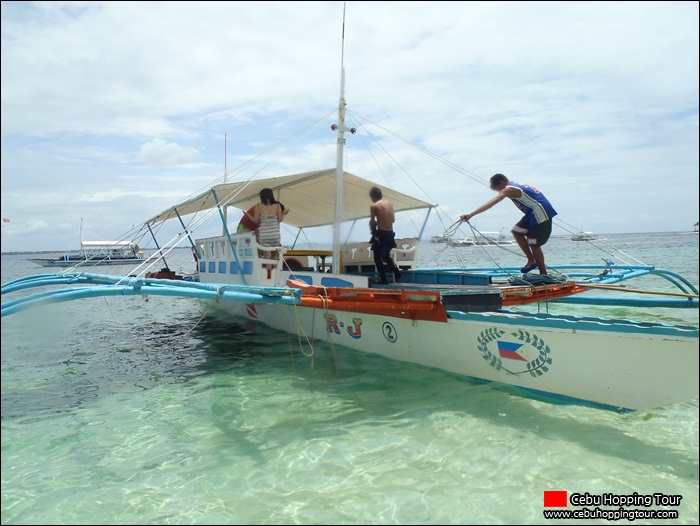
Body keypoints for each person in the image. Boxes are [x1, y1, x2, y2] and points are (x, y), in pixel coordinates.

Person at [460, 173, 557, 275]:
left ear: (501, 183)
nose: (499, 192)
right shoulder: (517, 185)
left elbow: (492, 202)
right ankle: (531, 260)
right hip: (532, 213)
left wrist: (471, 214)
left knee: (534, 243)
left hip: (540, 212)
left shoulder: (509, 189)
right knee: (517, 231)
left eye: (498, 189)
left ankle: (543, 274)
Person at [369, 186, 401, 284]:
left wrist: (373, 229)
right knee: (385, 255)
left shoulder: (374, 206)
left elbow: (372, 222)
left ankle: (383, 279)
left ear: (373, 196)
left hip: (381, 234)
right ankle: (395, 269)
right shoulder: (390, 204)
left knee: (377, 256)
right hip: (390, 233)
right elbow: (393, 220)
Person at [250, 188, 289, 260]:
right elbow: (279, 220)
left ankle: (268, 269)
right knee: (275, 256)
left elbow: (256, 221)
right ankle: (275, 270)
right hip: (275, 235)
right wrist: (283, 214)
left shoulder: (258, 206)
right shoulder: (278, 205)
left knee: (267, 256)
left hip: (264, 235)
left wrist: (249, 216)